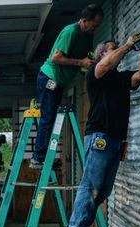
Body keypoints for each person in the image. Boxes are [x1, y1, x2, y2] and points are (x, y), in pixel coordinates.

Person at [64, 32, 140, 227]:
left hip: (116, 139)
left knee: (104, 189)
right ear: (103, 53)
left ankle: (81, 226)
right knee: (92, 183)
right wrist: (129, 46)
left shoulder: (120, 78)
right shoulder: (95, 72)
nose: (119, 50)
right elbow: (105, 65)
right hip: (99, 136)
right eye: (114, 48)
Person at [30, 4, 104, 169]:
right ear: (84, 21)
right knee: (48, 118)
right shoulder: (70, 32)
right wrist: (81, 62)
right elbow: (56, 58)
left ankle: (44, 158)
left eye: (99, 25)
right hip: (50, 78)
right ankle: (38, 159)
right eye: (95, 24)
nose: (96, 27)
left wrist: (90, 65)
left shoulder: (88, 35)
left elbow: (85, 57)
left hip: (60, 82)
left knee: (50, 118)